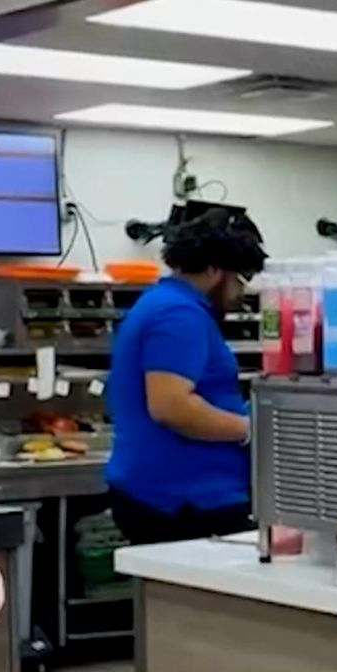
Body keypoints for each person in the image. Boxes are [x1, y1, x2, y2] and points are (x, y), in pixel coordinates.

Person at [105, 208, 267, 544]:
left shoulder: (162, 303)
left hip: (174, 492)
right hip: (183, 500)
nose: (240, 293)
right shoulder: (179, 315)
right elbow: (171, 407)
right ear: (214, 270)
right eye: (239, 279)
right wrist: (251, 429)